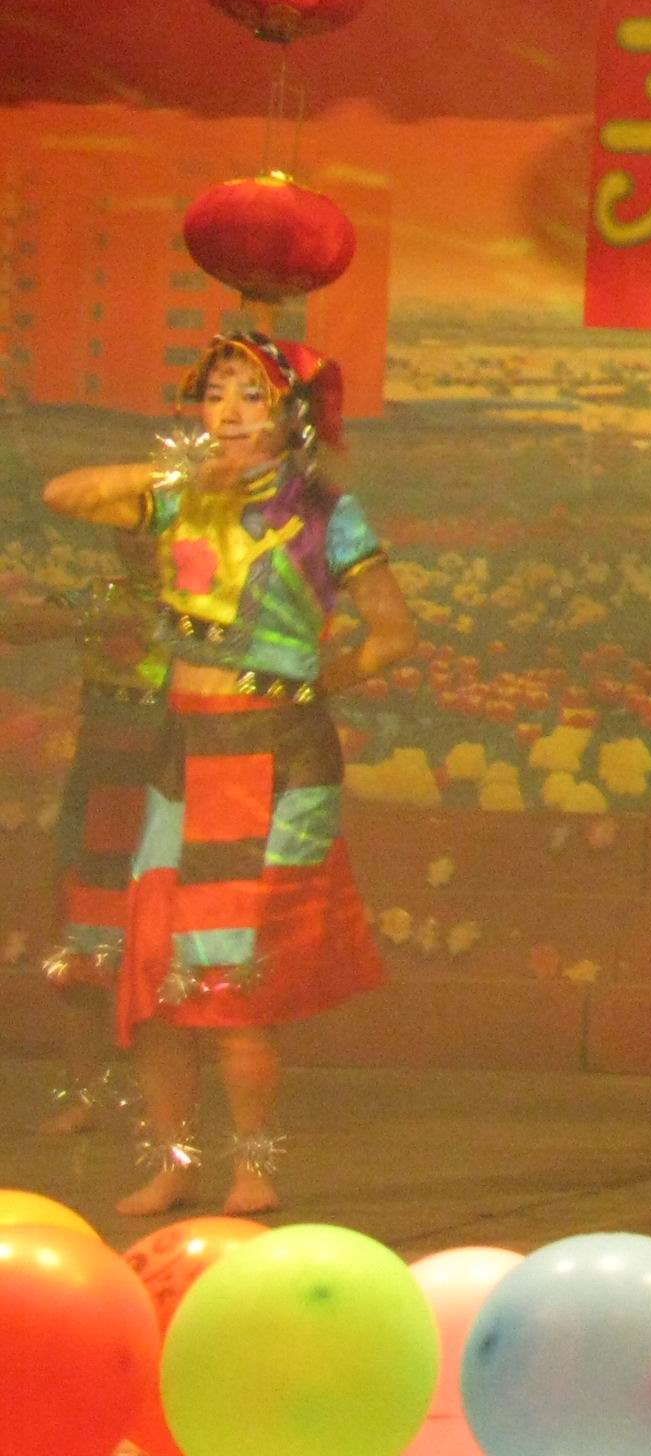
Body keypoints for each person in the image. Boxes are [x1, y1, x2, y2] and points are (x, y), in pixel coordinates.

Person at [41, 332, 415, 1216]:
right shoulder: (177, 500)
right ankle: (174, 1162)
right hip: (182, 754)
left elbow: (395, 634)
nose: (231, 413)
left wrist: (311, 682)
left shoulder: (327, 514)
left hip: (276, 759)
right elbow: (65, 494)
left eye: (252, 396)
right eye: (217, 395)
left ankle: (253, 1167)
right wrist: (177, 474)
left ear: (292, 416)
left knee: (237, 983)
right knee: (155, 975)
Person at [2, 549, 156, 1135]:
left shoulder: (202, 599)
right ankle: (87, 1097)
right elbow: (17, 625)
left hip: (171, 786)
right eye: (127, 530)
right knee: (84, 946)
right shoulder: (101, 593)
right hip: (99, 787)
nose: (139, 542)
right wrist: (93, 617)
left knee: (161, 952)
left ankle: (161, 1105)